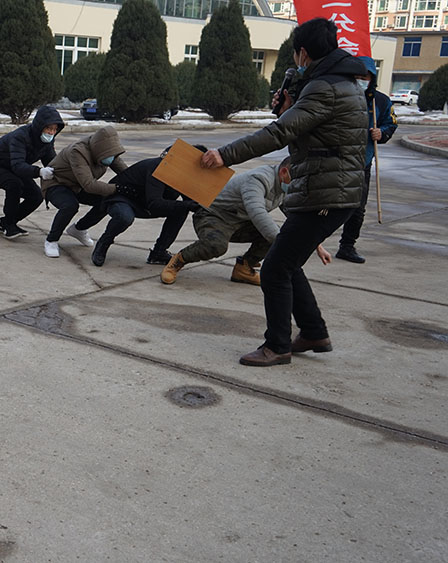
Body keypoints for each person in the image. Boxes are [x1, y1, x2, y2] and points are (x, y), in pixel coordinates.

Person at [200, 18, 367, 367]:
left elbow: (278, 134)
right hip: (331, 189)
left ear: (303, 52)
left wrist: (225, 155)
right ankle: (313, 331)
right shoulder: (345, 83)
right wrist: (290, 107)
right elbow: (310, 130)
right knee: (288, 262)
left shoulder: (325, 87)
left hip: (327, 192)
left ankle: (277, 346)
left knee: (276, 268)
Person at [161, 158, 295, 285]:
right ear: (284, 172)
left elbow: (292, 209)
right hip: (212, 216)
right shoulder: (258, 179)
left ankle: (244, 269)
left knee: (280, 234)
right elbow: (257, 212)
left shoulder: (285, 185)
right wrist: (283, 245)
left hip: (240, 221)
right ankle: (179, 260)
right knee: (216, 245)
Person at [87, 145, 204, 267]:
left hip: (145, 203)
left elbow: (191, 200)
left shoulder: (183, 173)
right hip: (123, 198)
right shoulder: (159, 167)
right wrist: (188, 204)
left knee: (181, 210)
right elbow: (155, 204)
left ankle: (158, 253)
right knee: (124, 217)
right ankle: (104, 242)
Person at [335, 55, 397, 264]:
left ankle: (347, 245)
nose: (361, 81)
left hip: (363, 161)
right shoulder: (338, 95)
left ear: (372, 79)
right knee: (326, 204)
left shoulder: (381, 101)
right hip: (336, 160)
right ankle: (311, 241)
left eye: (365, 77)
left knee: (357, 207)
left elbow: (391, 123)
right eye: (357, 77)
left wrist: (382, 133)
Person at [40, 126, 128, 257]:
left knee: (106, 200)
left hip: (77, 185)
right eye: (109, 155)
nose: (111, 158)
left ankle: (79, 229)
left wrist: (138, 183)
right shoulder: (78, 152)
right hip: (57, 183)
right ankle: (51, 240)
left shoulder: (109, 151)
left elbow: (126, 173)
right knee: (70, 205)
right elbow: (89, 185)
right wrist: (117, 188)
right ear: (99, 149)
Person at [0, 106, 64, 239]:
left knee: (36, 196)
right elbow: (18, 165)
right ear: (40, 126)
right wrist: (39, 171)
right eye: (48, 128)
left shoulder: (47, 141)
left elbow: (52, 162)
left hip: (12, 168)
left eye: (55, 129)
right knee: (14, 184)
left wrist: (64, 173)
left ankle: (7, 222)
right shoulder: (20, 136)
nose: (51, 132)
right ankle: (9, 226)